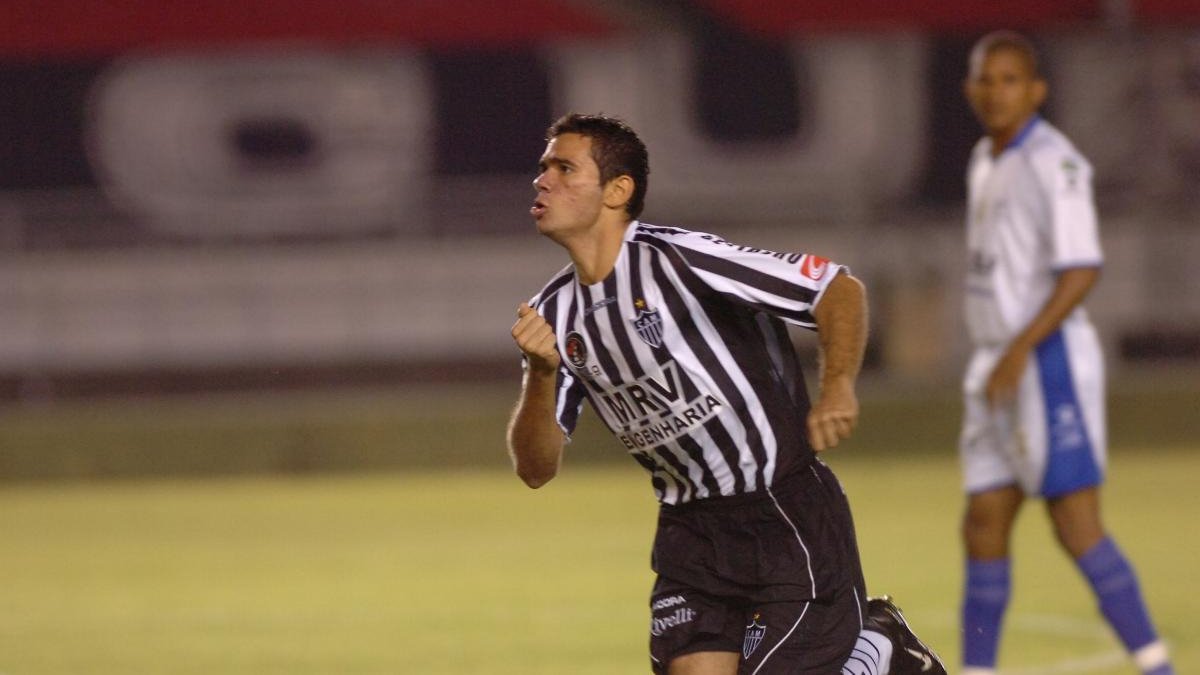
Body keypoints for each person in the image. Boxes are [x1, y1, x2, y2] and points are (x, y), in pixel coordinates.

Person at [507, 112, 946, 675]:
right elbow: (536, 468)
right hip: (690, 535)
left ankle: (878, 649)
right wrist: (541, 375)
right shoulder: (553, 315)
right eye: (544, 168)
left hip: (782, 512)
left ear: (618, 191)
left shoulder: (682, 261)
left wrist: (836, 388)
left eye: (564, 168)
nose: (542, 180)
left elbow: (837, 289)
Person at [957, 31, 1173, 675]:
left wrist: (1022, 349)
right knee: (983, 520)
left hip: (1043, 363)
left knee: (1076, 524)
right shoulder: (984, 156)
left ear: (1037, 90)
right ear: (970, 88)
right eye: (986, 80)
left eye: (1010, 80)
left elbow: (1081, 269)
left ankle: (1157, 664)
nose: (996, 92)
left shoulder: (1058, 163)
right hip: (995, 361)